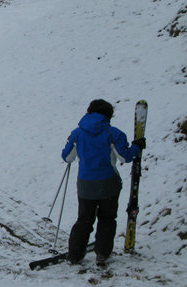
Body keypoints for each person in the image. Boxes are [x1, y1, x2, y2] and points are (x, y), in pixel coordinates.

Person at [61, 100, 146, 265]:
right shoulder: (114, 133)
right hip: (108, 183)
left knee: (84, 219)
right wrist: (136, 147)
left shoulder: (77, 133)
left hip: (85, 184)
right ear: (108, 115)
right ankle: (102, 253)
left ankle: (75, 254)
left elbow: (67, 157)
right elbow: (124, 157)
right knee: (107, 218)